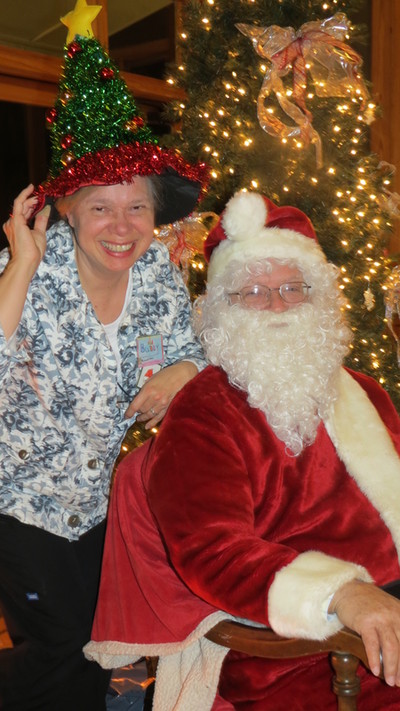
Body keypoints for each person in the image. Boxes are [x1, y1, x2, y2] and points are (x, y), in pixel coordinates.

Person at [86, 189, 400, 711]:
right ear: (222, 308)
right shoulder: (203, 412)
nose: (276, 304)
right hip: (301, 653)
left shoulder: (364, 392)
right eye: (253, 291)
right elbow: (213, 552)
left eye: (292, 287)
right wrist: (341, 593)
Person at [0, 2, 207, 709]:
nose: (122, 226)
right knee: (60, 644)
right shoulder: (27, 271)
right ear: (68, 209)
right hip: (20, 500)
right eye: (100, 207)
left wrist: (183, 368)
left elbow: (188, 348)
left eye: (137, 207)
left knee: (92, 645)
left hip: (102, 502)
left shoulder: (156, 276)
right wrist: (20, 265)